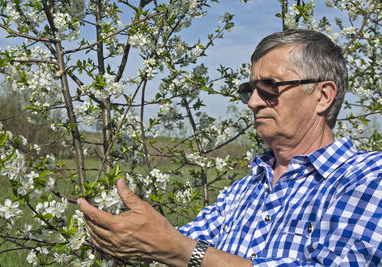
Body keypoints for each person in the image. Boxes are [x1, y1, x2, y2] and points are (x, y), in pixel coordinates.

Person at [78, 29, 382, 266]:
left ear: (322, 96)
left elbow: (181, 249)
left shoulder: (368, 178)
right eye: (249, 89)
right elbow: (176, 241)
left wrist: (181, 252)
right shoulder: (243, 190)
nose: (252, 102)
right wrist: (125, 236)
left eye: (269, 87)